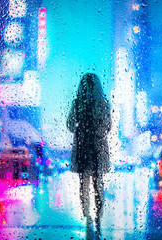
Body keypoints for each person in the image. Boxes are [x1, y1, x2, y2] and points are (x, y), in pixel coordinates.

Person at [67, 73, 111, 238]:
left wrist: (81, 129)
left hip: (83, 145)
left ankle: (87, 216)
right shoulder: (103, 103)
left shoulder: (78, 103)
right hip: (98, 146)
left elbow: (70, 124)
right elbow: (108, 126)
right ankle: (99, 216)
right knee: (98, 182)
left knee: (84, 182)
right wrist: (97, 131)